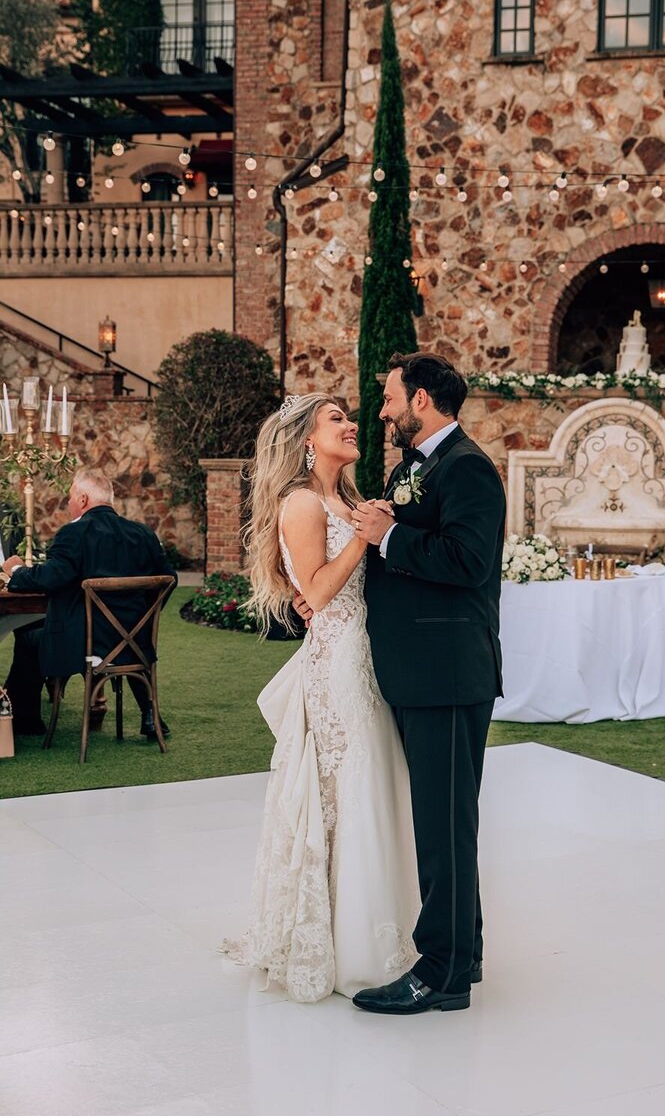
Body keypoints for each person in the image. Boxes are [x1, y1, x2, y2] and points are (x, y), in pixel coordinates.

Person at [221, 394, 419, 1003]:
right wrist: (362, 539)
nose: (352, 424)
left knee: (374, 786)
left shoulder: (352, 500)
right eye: (336, 418)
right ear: (307, 437)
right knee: (342, 792)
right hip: (336, 665)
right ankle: (337, 940)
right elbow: (321, 588)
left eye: (349, 417)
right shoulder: (303, 503)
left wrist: (367, 529)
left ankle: (381, 927)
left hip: (369, 655)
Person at [346, 352, 506, 1015]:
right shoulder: (416, 467)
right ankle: (459, 959)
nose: (380, 410)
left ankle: (439, 973)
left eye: (388, 398)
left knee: (443, 829)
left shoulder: (467, 468)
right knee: (442, 826)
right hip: (419, 673)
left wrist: (388, 537)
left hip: (446, 673)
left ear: (420, 401)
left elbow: (467, 562)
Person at [2, 466, 177, 740]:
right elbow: (169, 579)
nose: (70, 503)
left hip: (84, 644)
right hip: (134, 642)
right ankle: (150, 715)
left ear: (83, 500)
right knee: (106, 630)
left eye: (71, 497)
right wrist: (146, 617)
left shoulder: (74, 534)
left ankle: (23, 721)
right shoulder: (143, 535)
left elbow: (51, 577)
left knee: (27, 637)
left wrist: (16, 571)